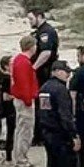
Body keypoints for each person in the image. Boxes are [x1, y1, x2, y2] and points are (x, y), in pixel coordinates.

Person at [36, 60, 83, 167]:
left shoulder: (44, 88)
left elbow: (41, 113)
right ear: (55, 71)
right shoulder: (60, 90)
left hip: (48, 134)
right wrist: (74, 135)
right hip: (61, 136)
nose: (68, 75)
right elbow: (66, 116)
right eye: (65, 71)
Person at [30, 9, 60, 146]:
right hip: (42, 71)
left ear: (39, 17)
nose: (29, 22)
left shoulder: (46, 32)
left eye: (31, 19)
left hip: (44, 72)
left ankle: (42, 134)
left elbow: (46, 53)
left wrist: (33, 68)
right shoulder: (40, 32)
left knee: (43, 102)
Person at [10, 35, 40, 167]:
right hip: (24, 99)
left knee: (21, 129)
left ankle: (19, 157)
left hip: (21, 98)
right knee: (25, 130)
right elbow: (24, 83)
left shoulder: (19, 60)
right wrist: (28, 99)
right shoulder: (23, 62)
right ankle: (21, 160)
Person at [0, 56, 17, 163]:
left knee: (10, 131)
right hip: (8, 108)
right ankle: (8, 155)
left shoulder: (2, 75)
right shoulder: (6, 78)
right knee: (10, 132)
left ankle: (8, 154)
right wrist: (17, 96)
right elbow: (5, 96)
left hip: (5, 107)